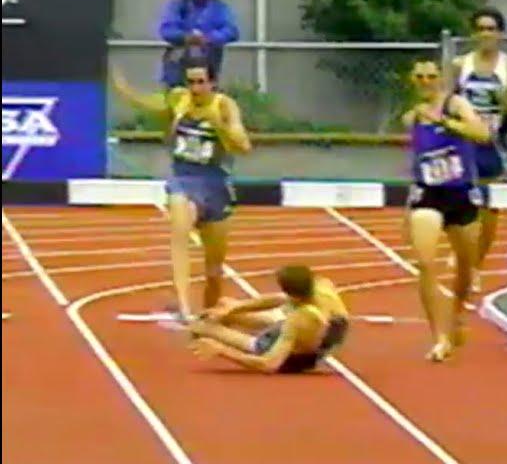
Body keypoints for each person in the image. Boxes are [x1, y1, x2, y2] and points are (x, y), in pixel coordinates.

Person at [112, 57, 251, 319]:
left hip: (216, 184)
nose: (195, 89)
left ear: (213, 83)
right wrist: (123, 88)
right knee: (180, 232)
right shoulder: (179, 99)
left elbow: (243, 147)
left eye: (201, 82)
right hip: (183, 179)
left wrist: (218, 124)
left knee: (214, 271)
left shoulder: (224, 105)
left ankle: (210, 312)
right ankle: (184, 306)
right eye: (191, 82)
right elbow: (148, 103)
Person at [402, 60, 491, 362]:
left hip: (461, 193)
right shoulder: (411, 118)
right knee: (425, 263)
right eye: (420, 77)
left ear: (441, 79)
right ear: (412, 81)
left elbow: (482, 134)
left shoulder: (457, 104)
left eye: (431, 76)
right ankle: (439, 337)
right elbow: (416, 160)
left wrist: (446, 123)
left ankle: (456, 315)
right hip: (428, 194)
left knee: (465, 269)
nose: (426, 81)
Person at [451, 8, 507, 292]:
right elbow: (445, 101)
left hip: (494, 145)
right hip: (462, 143)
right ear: (473, 33)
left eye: (491, 28)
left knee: (490, 213)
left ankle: (475, 265)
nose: (486, 34)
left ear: (500, 34)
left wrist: (504, 100)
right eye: (481, 28)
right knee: (463, 209)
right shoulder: (460, 65)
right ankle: (464, 259)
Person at [188, 265, 350, 374]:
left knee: (203, 328)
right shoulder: (322, 287)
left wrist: (221, 350)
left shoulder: (297, 321)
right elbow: (278, 299)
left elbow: (269, 364)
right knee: (226, 304)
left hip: (296, 358)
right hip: (326, 333)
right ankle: (222, 315)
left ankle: (205, 329)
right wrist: (233, 308)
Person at [159, 0, 239, 89]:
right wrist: (185, 37)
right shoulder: (178, 5)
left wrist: (209, 38)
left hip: (207, 74)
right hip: (177, 72)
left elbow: (232, 31)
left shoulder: (220, 8)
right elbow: (166, 30)